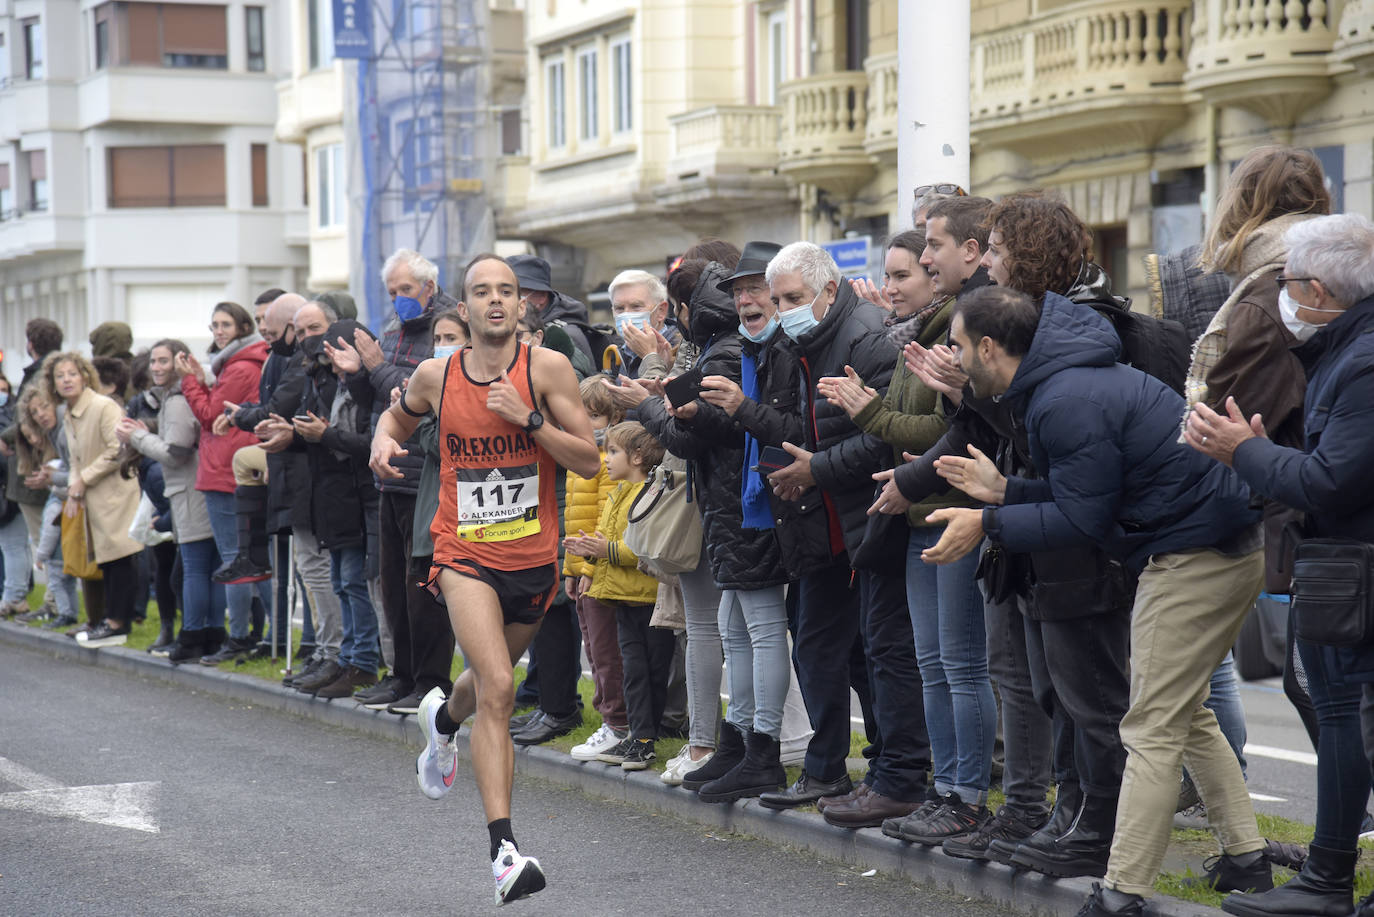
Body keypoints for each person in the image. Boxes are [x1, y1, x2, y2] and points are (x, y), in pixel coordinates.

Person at [926, 285, 1269, 917]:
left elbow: (1082, 521)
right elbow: (1088, 495)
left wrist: (988, 521)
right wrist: (1006, 493)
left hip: (1196, 553)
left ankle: (1123, 891)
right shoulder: (1063, 384)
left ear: (990, 348)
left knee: (1150, 725)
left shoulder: (1063, 399)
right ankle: (1247, 860)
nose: (952, 356)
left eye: (957, 344)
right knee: (1184, 714)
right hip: (1207, 543)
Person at [370, 253, 599, 905]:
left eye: (507, 290)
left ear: (522, 305)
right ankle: (504, 853)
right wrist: (382, 441)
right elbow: (396, 418)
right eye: (482, 291)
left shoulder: (547, 369)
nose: (496, 300)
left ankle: (443, 721)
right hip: (462, 553)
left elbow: (589, 460)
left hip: (532, 558)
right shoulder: (436, 375)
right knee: (499, 684)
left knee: (485, 682)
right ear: (463, 307)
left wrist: (529, 419)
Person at [1186, 213, 1374, 917]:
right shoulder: (1343, 351)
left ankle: (1327, 881)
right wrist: (1262, 455)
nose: (1279, 297)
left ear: (1318, 289)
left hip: (1355, 574)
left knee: (1350, 718)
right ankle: (1325, 877)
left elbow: (1332, 481)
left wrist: (1245, 451)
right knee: (1340, 716)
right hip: (1339, 572)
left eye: (1285, 283)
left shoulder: (1362, 362)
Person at [821, 225, 1009, 849]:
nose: (917, 269)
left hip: (953, 510)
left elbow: (942, 432)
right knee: (933, 664)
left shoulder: (963, 322)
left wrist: (870, 413)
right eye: (900, 270)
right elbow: (921, 424)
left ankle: (967, 796)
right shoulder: (923, 330)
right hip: (917, 513)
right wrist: (880, 417)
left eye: (917, 264)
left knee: (961, 664)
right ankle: (944, 789)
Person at [752, 242, 929, 829]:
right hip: (830, 521)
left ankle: (891, 774)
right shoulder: (807, 340)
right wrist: (800, 469)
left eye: (793, 298)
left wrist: (816, 470)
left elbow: (885, 437)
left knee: (879, 652)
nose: (784, 311)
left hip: (872, 517)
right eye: (778, 301)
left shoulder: (866, 337)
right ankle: (872, 769)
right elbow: (814, 427)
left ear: (829, 290)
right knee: (847, 650)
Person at [614, 256, 793, 802]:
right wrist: (671, 403)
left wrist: (652, 404)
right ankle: (737, 745)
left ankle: (761, 751)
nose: (747, 301)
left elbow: (698, 436)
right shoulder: (733, 346)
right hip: (730, 503)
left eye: (759, 289)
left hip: (748, 503)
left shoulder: (732, 349)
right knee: (734, 629)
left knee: (761, 629)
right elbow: (708, 426)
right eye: (738, 291)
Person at [330, 248, 458, 715]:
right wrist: (357, 374)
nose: (399, 298)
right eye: (391, 292)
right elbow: (378, 403)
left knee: (423, 588)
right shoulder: (390, 332)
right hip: (390, 475)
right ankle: (401, 674)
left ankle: (431, 682)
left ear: (429, 287)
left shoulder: (446, 333)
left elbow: (417, 396)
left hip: (427, 475)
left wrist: (378, 367)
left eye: (406, 289)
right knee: (393, 587)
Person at [564, 421, 669, 769]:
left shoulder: (650, 495)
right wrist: (589, 555)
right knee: (633, 672)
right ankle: (637, 738)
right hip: (621, 598)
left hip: (648, 601)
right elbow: (607, 538)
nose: (606, 459)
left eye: (612, 451)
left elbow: (643, 550)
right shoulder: (618, 492)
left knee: (652, 672)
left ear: (637, 457)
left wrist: (604, 550)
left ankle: (645, 739)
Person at [288, 318, 382, 699]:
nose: (335, 369)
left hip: (358, 495)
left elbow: (369, 442)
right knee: (343, 581)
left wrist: (325, 434)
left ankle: (363, 661)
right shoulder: (339, 385)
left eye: (340, 360)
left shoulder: (367, 386)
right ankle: (347, 659)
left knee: (354, 583)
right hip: (337, 495)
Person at [120, 339, 225, 665]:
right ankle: (213, 636)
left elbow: (176, 452)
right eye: (154, 361)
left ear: (180, 363)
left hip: (190, 491)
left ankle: (192, 637)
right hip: (201, 488)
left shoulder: (178, 399)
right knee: (210, 568)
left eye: (164, 361)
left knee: (195, 569)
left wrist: (137, 437)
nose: (156, 367)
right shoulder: (185, 393)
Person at [178, 301, 270, 663]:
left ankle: (240, 637)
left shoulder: (240, 366)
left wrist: (189, 382)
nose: (218, 331)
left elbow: (208, 413)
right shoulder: (245, 361)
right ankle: (267, 637)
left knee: (237, 559)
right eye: (214, 325)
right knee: (255, 560)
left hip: (224, 468)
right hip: (237, 465)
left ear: (242, 327)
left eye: (225, 324)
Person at [46, 352, 144, 647]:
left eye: (72, 374)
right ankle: (107, 620)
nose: (66, 380)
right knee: (105, 560)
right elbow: (75, 458)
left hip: (115, 492)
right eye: (60, 376)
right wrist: (75, 487)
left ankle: (117, 624)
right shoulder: (69, 412)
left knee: (119, 557)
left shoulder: (103, 406)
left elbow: (117, 449)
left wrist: (83, 480)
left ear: (85, 376)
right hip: (94, 493)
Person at [562, 375, 630, 760]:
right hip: (584, 569)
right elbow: (575, 517)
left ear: (614, 417)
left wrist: (588, 568)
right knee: (592, 646)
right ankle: (610, 720)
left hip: (601, 570)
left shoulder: (608, 460)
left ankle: (617, 723)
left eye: (594, 416)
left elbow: (606, 519)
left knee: (606, 650)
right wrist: (572, 569)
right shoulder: (581, 456)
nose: (585, 423)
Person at [18, 385, 80, 628]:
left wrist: (53, 479)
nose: (41, 414)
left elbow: (75, 472)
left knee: (60, 576)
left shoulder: (64, 429)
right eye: (35, 412)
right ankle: (67, 613)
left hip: (72, 504)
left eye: (44, 407)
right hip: (67, 496)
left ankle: (65, 613)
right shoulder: (55, 431)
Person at [508, 253, 598, 365]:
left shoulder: (566, 335)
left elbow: (580, 375)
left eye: (518, 294)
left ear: (542, 296)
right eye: (506, 293)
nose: (509, 300)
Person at [606, 269, 679, 379]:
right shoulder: (619, 352)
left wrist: (649, 356)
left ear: (661, 311)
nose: (626, 314)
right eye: (619, 308)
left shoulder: (682, 350)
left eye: (636, 306)